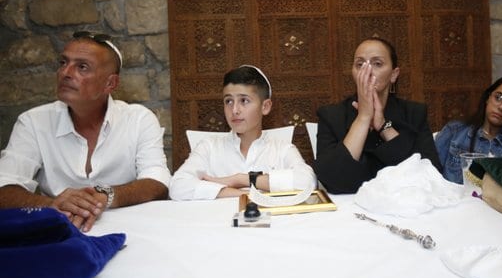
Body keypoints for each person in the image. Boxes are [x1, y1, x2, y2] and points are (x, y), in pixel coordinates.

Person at [0, 31, 171, 232]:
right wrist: (53, 205)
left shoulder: (138, 119)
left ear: (110, 83)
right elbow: (5, 186)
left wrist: (105, 195)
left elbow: (158, 182)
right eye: (63, 63)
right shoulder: (33, 122)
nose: (66, 73)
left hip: (131, 230)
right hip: (60, 231)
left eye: (82, 67)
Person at [313, 37, 442, 194]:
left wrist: (383, 126)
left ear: (394, 74)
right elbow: (333, 181)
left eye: (377, 64)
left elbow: (432, 176)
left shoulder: (414, 113)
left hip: (403, 203)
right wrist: (363, 118)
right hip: (349, 204)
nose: (367, 71)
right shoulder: (331, 115)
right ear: (353, 73)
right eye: (360, 64)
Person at [169, 65, 316, 200]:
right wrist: (243, 194)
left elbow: (307, 182)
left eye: (244, 101)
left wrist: (241, 179)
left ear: (265, 107)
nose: (234, 110)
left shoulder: (282, 148)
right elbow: (177, 186)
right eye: (228, 101)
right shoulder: (209, 147)